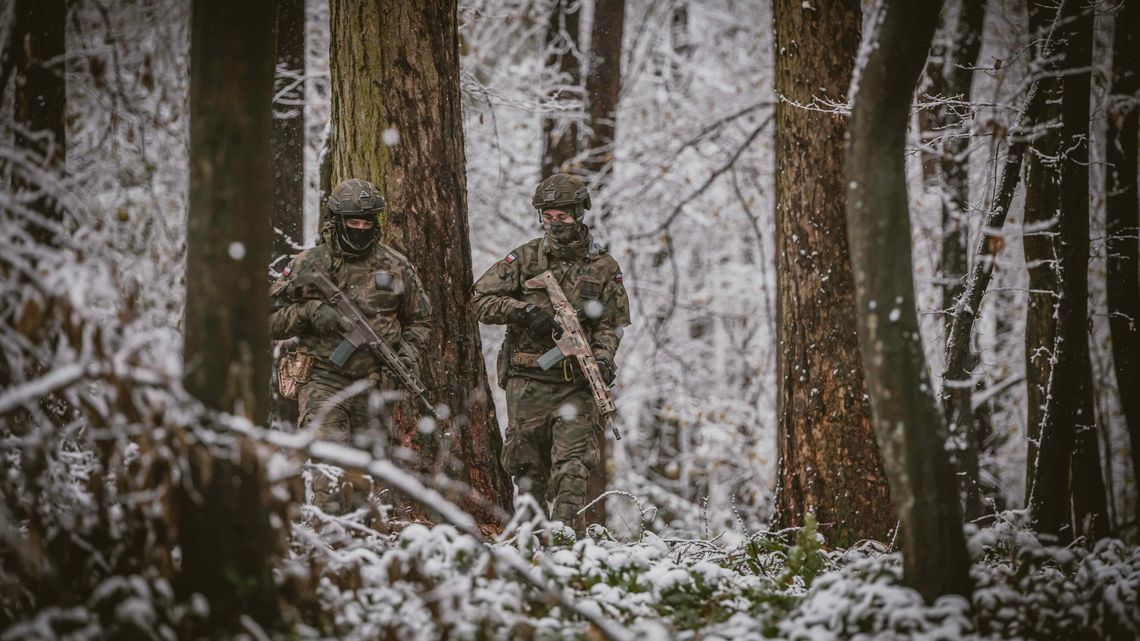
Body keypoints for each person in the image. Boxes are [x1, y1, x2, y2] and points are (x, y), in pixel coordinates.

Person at [471, 173, 631, 530]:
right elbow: (479, 300)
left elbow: (611, 325)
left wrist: (603, 359)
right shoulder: (525, 259)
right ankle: (530, 541)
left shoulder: (604, 268)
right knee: (527, 469)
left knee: (573, 468)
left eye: (563, 216)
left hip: (577, 384)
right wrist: (524, 312)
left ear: (580, 214)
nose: (555, 224)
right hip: (527, 382)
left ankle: (562, 541)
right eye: (548, 217)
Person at [270, 178, 432, 515]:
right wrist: (309, 313)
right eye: (352, 223)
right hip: (322, 379)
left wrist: (407, 354)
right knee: (328, 472)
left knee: (365, 480)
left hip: (374, 384)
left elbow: (420, 320)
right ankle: (328, 543)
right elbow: (265, 319)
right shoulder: (308, 265)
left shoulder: (395, 265)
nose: (360, 229)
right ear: (336, 221)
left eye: (366, 223)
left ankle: (361, 552)